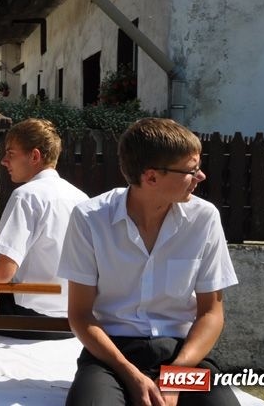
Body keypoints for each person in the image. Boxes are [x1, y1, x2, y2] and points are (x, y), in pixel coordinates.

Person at [59, 118, 239, 406]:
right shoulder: (90, 218)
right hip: (109, 355)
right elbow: (80, 315)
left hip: (184, 354)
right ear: (151, 177)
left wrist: (175, 376)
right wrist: (130, 374)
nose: (201, 176)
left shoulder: (204, 218)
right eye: (191, 170)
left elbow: (211, 314)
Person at [0, 118, 88, 337]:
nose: (4, 161)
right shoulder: (81, 198)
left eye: (11, 154)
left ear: (34, 156)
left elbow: (4, 270)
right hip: (74, 320)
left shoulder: (26, 196)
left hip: (32, 316)